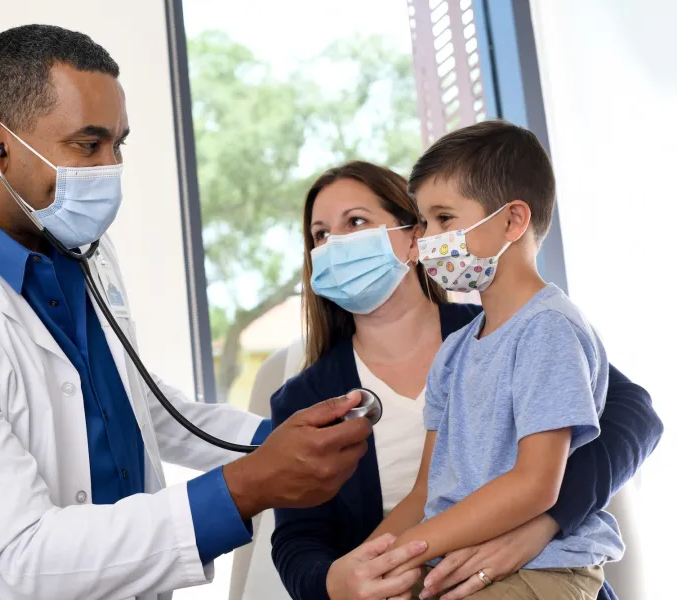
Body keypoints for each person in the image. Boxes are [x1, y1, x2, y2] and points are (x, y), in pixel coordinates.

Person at [0, 25, 379, 600]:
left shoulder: (78, 245)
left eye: (119, 144)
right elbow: (23, 553)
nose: (110, 168)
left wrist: (277, 439)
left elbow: (136, 405)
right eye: (88, 145)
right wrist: (244, 488)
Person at [270, 159, 663, 600]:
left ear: (415, 235)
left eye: (356, 222)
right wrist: (347, 580)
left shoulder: (513, 328)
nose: (335, 245)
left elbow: (635, 415)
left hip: (534, 570)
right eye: (320, 235)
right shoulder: (302, 399)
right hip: (419, 578)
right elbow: (298, 540)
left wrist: (542, 523)